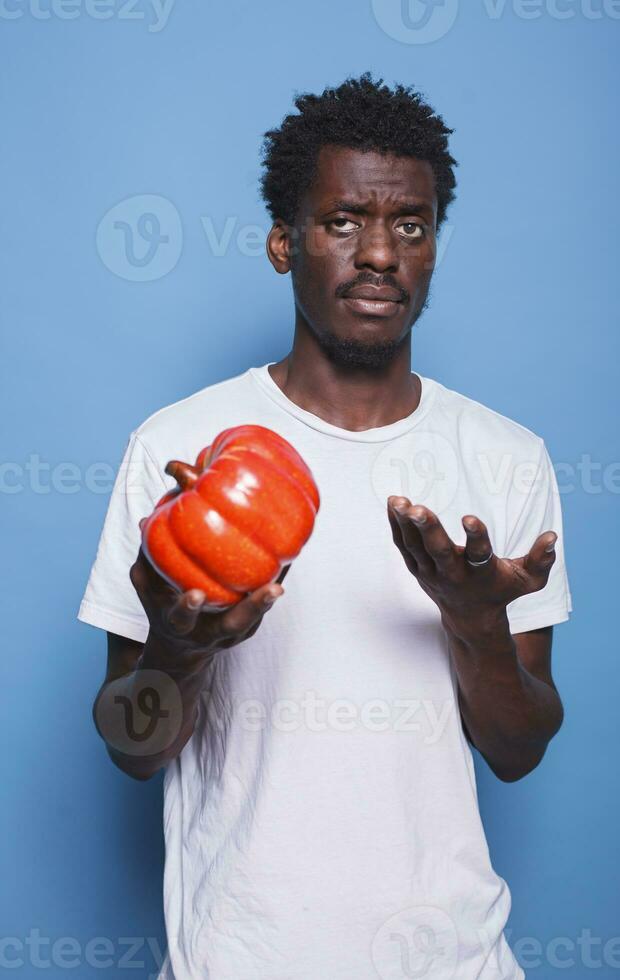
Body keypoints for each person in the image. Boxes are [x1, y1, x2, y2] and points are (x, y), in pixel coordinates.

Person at [79, 72, 573, 980]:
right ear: (281, 242)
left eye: (410, 226)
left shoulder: (506, 459)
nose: (379, 253)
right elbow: (131, 751)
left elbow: (518, 751)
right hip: (239, 960)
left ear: (433, 249)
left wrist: (475, 624)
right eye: (343, 221)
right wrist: (182, 653)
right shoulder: (175, 447)